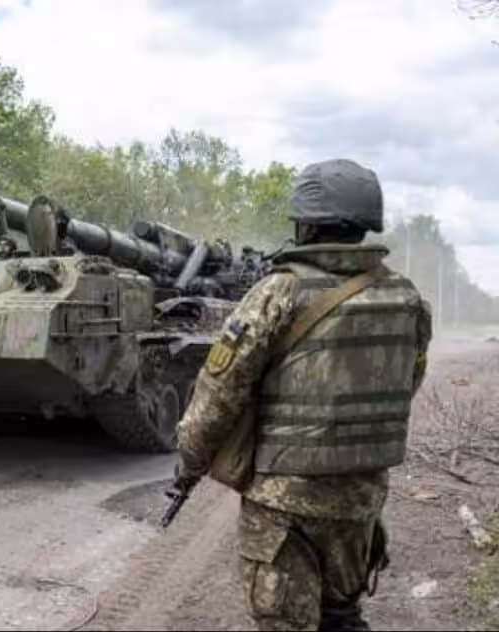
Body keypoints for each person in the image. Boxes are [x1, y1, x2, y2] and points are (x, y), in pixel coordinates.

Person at [171, 158, 433, 631]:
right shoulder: (407, 298)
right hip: (360, 499)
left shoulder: (279, 292)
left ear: (307, 225)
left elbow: (218, 394)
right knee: (343, 616)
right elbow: (406, 386)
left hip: (283, 506)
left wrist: (189, 463)